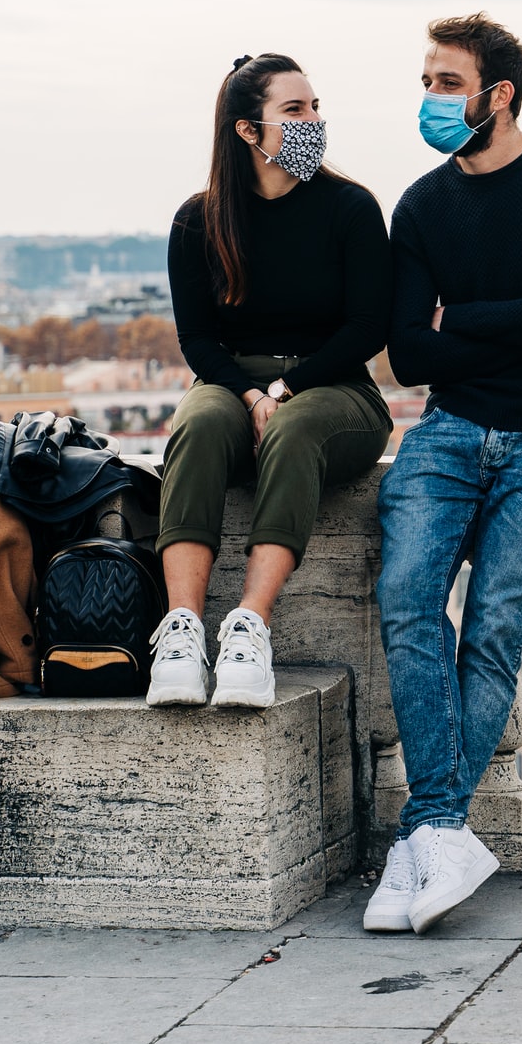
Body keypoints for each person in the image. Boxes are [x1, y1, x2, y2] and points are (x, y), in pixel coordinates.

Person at [365, 14, 522, 933]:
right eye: (426, 81)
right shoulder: (422, 205)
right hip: (452, 427)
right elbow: (407, 354)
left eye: (444, 81)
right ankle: (439, 833)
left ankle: (425, 831)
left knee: (497, 631)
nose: (429, 99)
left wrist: (463, 322)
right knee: (405, 595)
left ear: (496, 93)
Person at [152, 53, 394, 709]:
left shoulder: (350, 209)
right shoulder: (198, 221)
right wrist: (251, 394)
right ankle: (180, 635)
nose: (314, 121)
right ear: (248, 131)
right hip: (233, 384)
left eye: (316, 107)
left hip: (337, 388)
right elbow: (200, 339)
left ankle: (250, 627)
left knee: (298, 425)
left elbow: (368, 327)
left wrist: (286, 392)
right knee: (197, 424)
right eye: (295, 110)